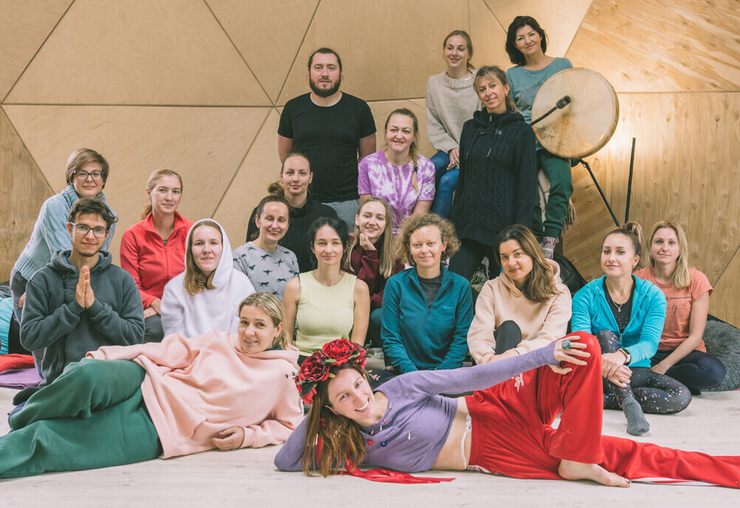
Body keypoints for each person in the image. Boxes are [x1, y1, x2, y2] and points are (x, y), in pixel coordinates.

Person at [275, 337, 740, 488]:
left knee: (582, 346)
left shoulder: (401, 386)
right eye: (343, 399)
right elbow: (285, 459)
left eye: (358, 384)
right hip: (491, 446)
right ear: (331, 409)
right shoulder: (352, 443)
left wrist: (543, 355)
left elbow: (473, 377)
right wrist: (316, 406)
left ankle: (576, 454)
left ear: (365, 375)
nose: (359, 399)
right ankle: (729, 470)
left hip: (494, 403)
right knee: (629, 456)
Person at [0, 293, 302, 479]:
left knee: (50, 439)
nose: (248, 332)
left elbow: (289, 425)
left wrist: (247, 436)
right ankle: (23, 416)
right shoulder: (219, 340)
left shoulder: (283, 375)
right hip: (147, 378)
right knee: (87, 373)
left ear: (277, 329)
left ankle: (19, 435)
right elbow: (167, 350)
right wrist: (107, 354)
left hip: (161, 426)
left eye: (259, 325)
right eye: (244, 322)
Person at [572, 223, 691, 436]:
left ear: (635, 260)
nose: (611, 258)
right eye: (606, 251)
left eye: (620, 252)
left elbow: (650, 343)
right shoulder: (584, 296)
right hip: (596, 371)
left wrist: (621, 356)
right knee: (605, 336)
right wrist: (605, 362)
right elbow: (582, 342)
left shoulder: (653, 296)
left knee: (681, 395)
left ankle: (606, 399)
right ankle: (628, 402)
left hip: (635, 370)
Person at [21, 198, 143, 388]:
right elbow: (30, 338)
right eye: (83, 227)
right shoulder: (42, 280)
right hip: (61, 382)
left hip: (109, 381)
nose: (90, 236)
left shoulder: (122, 280)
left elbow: (135, 337)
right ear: (70, 228)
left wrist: (95, 307)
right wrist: (73, 308)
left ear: (107, 234)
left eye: (98, 229)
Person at [449, 65, 537, 281]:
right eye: (482, 89)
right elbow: (464, 179)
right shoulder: (470, 128)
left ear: (505, 88)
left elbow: (527, 185)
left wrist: (520, 234)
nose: (488, 93)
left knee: (505, 292)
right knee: (453, 285)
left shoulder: (522, 132)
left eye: (492, 86)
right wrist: (454, 225)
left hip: (505, 231)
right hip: (470, 227)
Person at [10, 148, 117, 325]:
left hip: (72, 279)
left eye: (96, 173)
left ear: (103, 180)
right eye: (82, 173)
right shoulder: (55, 206)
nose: (89, 179)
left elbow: (97, 258)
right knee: (40, 338)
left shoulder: (110, 215)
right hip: (32, 277)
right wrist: (38, 288)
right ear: (71, 177)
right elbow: (64, 255)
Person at [277, 47, 376, 228]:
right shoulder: (293, 108)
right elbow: (286, 157)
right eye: (318, 67)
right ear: (308, 73)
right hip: (303, 201)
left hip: (347, 202)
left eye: (331, 68)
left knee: (345, 247)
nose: (324, 74)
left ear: (341, 73)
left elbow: (367, 158)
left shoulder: (359, 109)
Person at [505, 16, 574, 258]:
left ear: (541, 35)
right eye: (520, 38)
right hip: (525, 141)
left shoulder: (562, 65)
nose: (527, 41)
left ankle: (550, 239)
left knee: (563, 183)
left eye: (531, 34)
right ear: (515, 44)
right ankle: (533, 239)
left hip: (555, 140)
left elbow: (575, 103)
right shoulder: (512, 75)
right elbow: (511, 113)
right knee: (527, 193)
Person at [635, 221, 725, 394]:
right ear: (650, 247)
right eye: (659, 241)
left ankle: (653, 378)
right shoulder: (638, 279)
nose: (665, 248)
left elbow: (695, 336)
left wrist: (663, 367)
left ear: (680, 248)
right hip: (649, 350)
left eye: (671, 243)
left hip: (685, 353)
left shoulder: (697, 279)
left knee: (714, 372)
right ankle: (674, 382)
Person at [467, 224, 571, 364]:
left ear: (532, 253)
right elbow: (479, 335)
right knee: (509, 330)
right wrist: (488, 360)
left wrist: (515, 354)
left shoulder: (558, 291)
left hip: (538, 363)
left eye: (517, 254)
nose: (511, 263)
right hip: (496, 365)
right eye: (504, 257)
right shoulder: (491, 288)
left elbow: (551, 338)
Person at [382, 214, 472, 374]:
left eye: (431, 243)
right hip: (406, 374)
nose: (424, 250)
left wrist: (439, 376)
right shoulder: (395, 284)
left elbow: (462, 339)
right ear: (409, 248)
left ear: (443, 245)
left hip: (447, 375)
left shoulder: (461, 286)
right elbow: (391, 338)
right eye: (417, 245)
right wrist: (412, 374)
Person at [120, 169, 192, 342]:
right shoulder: (132, 235)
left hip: (187, 306)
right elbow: (131, 286)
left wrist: (168, 307)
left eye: (176, 191)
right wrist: (155, 303)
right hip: (149, 310)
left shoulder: (193, 231)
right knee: (154, 329)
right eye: (163, 190)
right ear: (148, 192)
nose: (169, 197)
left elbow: (200, 278)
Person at [282, 217, 370, 358]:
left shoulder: (359, 288)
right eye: (322, 243)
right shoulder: (296, 285)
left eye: (335, 243)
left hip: (342, 364)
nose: (328, 250)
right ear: (313, 247)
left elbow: (357, 346)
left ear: (345, 247)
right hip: (301, 362)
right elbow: (286, 339)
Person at [161, 219, 254, 337]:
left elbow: (243, 333)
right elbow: (175, 338)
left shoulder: (242, 284)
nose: (206, 250)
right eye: (199, 243)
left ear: (223, 247)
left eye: (213, 243)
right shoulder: (174, 288)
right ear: (190, 249)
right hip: (188, 348)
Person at [245, 153, 337, 272]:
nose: (295, 179)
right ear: (281, 176)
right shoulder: (263, 213)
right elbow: (250, 254)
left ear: (310, 177)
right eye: (290, 173)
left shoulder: (326, 215)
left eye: (302, 173)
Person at [426, 30, 479, 218]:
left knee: (447, 181)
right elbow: (434, 125)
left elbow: (485, 125)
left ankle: (436, 230)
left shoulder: (480, 81)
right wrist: (451, 148)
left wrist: (464, 150)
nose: (454, 53)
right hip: (448, 149)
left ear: (469, 54)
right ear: (444, 51)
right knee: (428, 169)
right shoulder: (434, 83)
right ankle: (417, 222)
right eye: (450, 48)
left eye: (460, 49)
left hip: (475, 151)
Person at [358, 109, 435, 234]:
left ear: (414, 136)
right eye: (394, 130)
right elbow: (368, 212)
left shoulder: (426, 167)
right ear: (385, 132)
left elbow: (419, 216)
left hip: (410, 236)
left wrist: (401, 242)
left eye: (406, 131)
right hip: (376, 235)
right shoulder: (367, 165)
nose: (399, 136)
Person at [348, 198, 403, 346]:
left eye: (379, 218)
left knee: (377, 316)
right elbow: (353, 291)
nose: (372, 222)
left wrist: (371, 253)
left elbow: (389, 295)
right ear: (357, 219)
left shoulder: (395, 253)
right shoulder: (346, 246)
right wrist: (370, 255)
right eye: (367, 216)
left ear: (386, 224)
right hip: (349, 307)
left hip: (377, 311)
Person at [234, 196, 299, 297]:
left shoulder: (290, 256)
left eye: (281, 220)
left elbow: (296, 298)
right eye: (269, 219)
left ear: (287, 225)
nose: (275, 226)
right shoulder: (239, 257)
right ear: (258, 221)